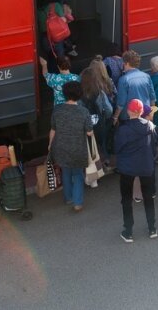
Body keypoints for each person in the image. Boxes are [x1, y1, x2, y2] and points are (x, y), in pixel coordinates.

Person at [114, 99, 158, 242]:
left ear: (128, 111)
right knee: (148, 197)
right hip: (146, 166)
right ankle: (152, 228)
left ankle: (128, 231)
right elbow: (155, 144)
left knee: (126, 200)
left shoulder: (123, 129)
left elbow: (117, 148)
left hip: (127, 168)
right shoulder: (150, 126)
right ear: (141, 112)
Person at [48, 81, 93, 212]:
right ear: (80, 94)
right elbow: (89, 132)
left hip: (61, 148)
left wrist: (50, 144)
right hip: (78, 148)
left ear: (64, 94)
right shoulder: (84, 111)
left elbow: (53, 130)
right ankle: (77, 202)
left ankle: (68, 198)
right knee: (78, 174)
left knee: (66, 172)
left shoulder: (57, 110)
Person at [80, 60, 115, 164]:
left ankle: (91, 167)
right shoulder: (100, 93)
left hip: (85, 126)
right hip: (100, 123)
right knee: (102, 143)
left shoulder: (79, 96)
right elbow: (109, 110)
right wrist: (106, 118)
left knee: (88, 146)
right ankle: (106, 161)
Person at [113, 50, 156, 122]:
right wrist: (151, 114)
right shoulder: (146, 76)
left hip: (129, 117)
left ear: (127, 63)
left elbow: (121, 103)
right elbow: (152, 97)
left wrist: (115, 117)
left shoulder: (123, 80)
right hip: (145, 114)